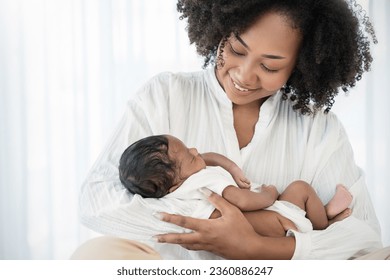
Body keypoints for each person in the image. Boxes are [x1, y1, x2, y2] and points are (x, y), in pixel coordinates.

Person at [74, 0, 385, 259]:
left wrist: (257, 247)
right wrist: (208, 222)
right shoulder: (167, 94)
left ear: (301, 65)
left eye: (270, 66)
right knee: (95, 255)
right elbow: (97, 200)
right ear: (219, 31)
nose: (245, 76)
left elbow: (363, 237)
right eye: (237, 49)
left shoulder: (318, 128)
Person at [119, 134, 353, 237]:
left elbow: (206, 157)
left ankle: (324, 216)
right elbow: (242, 200)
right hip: (273, 212)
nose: (195, 150)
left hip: (266, 222)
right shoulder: (204, 181)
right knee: (301, 188)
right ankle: (325, 224)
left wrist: (232, 168)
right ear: (174, 183)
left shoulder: (176, 190)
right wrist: (269, 194)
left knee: (296, 194)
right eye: (190, 156)